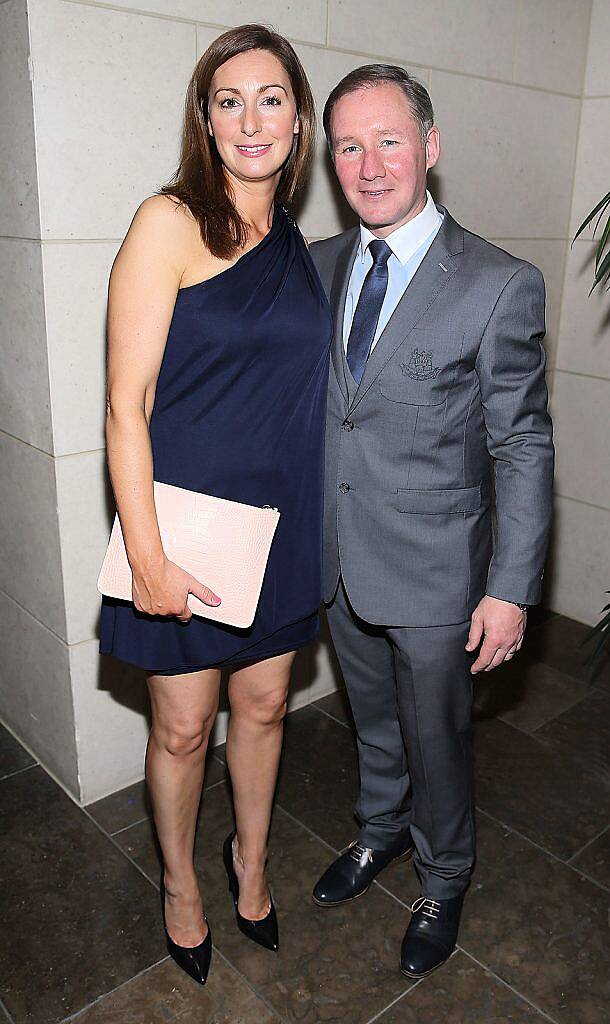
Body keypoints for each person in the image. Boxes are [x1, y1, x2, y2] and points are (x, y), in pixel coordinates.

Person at [309, 65, 554, 979]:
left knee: (437, 736)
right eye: (348, 146)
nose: (370, 165)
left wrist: (511, 592)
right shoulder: (322, 263)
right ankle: (381, 831)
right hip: (341, 556)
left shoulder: (498, 284)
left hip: (442, 573)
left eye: (389, 141)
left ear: (430, 148)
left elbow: (523, 445)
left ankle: (445, 874)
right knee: (370, 717)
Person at [99, 25, 332, 985]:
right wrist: (147, 558)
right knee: (185, 728)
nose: (250, 118)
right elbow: (124, 404)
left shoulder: (298, 245)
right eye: (228, 99)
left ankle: (251, 864)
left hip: (281, 527)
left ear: (298, 121)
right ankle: (181, 886)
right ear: (205, 119)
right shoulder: (168, 222)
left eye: (270, 97)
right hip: (185, 532)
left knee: (269, 706)